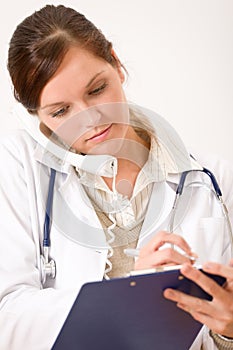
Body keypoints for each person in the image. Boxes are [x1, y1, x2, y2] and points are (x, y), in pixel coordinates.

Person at [0, 4, 233, 349]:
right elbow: (8, 319)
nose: (90, 119)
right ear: (36, 118)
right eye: (61, 111)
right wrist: (130, 295)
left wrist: (227, 328)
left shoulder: (215, 180)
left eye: (96, 90)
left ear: (116, 63)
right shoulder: (20, 166)